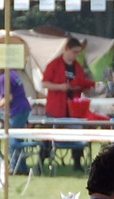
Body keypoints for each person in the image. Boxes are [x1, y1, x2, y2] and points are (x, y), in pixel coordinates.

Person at [41, 37, 94, 172]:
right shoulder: (54, 64)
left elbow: (82, 83)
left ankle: (77, 163)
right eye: (74, 52)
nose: (76, 55)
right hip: (56, 108)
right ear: (66, 49)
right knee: (48, 137)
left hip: (74, 109)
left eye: (78, 53)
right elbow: (44, 83)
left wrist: (84, 87)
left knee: (77, 135)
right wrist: (60, 87)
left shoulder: (78, 67)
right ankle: (40, 163)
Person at [0, 64, 32, 175]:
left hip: (16, 111)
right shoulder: (12, 73)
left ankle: (14, 167)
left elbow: (8, 98)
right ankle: (21, 167)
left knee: (12, 139)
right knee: (17, 139)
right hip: (23, 109)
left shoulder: (3, 78)